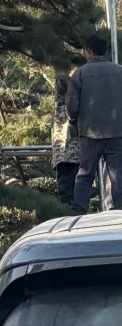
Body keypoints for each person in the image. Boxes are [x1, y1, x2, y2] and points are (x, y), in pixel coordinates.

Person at [68, 34, 122, 213]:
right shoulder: (119, 71)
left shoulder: (80, 74)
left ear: (89, 51)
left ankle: (79, 211)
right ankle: (118, 212)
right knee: (117, 175)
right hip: (117, 132)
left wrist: (74, 122)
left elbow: (72, 105)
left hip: (89, 133)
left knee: (85, 174)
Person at [52, 66, 82, 206]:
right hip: (67, 149)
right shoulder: (65, 91)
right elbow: (63, 81)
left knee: (75, 191)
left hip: (72, 151)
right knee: (67, 193)